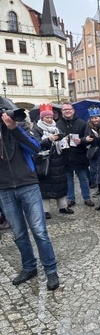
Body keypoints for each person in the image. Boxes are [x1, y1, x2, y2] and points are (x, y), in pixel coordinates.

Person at [0, 110, 59, 290]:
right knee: (18, 233)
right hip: (4, 188)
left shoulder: (22, 127)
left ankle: (51, 270)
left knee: (39, 231)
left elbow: (35, 147)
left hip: (28, 184)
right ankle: (29, 267)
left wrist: (13, 129)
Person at [32, 104, 73, 219]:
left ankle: (63, 207)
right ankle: (45, 211)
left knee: (61, 184)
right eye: (47, 117)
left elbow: (61, 141)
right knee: (46, 187)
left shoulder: (56, 127)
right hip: (46, 160)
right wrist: (49, 139)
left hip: (58, 159)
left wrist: (64, 139)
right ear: (42, 118)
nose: (50, 119)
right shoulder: (36, 128)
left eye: (51, 117)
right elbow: (36, 144)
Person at [57, 102, 94, 207]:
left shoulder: (82, 123)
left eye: (69, 109)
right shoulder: (57, 124)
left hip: (79, 155)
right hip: (65, 156)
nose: (67, 111)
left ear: (73, 111)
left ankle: (87, 198)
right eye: (65, 109)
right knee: (68, 180)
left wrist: (81, 140)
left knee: (83, 178)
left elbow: (88, 138)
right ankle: (70, 198)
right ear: (62, 112)